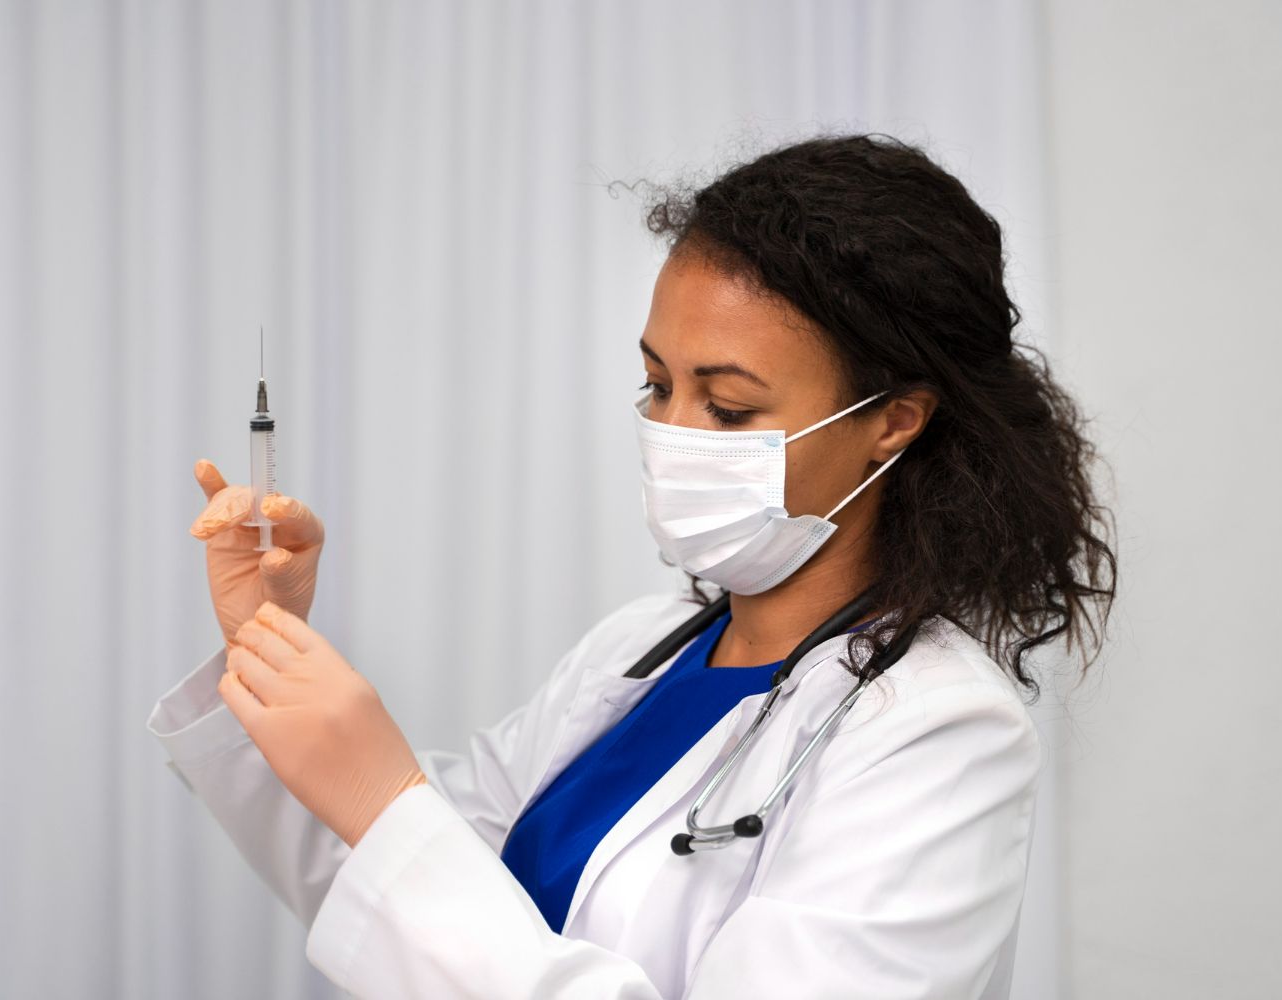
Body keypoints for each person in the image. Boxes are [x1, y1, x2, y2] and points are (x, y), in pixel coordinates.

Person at [148, 132, 1117, 999]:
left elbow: (415, 863)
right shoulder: (637, 653)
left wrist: (387, 799)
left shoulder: (943, 735)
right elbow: (399, 896)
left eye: (728, 407)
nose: (672, 434)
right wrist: (267, 656)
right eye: (657, 383)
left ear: (892, 422)